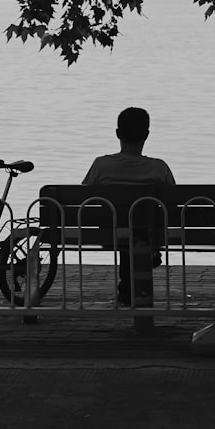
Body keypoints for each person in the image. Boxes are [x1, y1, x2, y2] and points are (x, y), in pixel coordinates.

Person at [83, 107, 174, 305]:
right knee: (139, 229)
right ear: (147, 135)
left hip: (109, 233)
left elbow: (84, 200)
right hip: (150, 233)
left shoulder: (101, 165)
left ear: (117, 134)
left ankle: (128, 288)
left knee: (126, 230)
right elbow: (173, 205)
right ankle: (146, 260)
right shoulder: (159, 167)